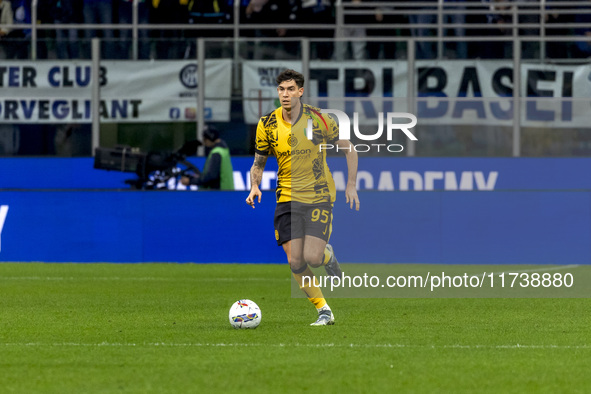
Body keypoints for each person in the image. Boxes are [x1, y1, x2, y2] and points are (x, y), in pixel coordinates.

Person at [246, 69, 360, 326]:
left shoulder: (319, 119)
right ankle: (324, 310)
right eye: (281, 90)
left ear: (300, 91)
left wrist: (351, 184)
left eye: (290, 89)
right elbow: (259, 162)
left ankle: (327, 256)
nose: (285, 94)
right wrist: (255, 186)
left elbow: (349, 149)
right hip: (286, 197)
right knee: (294, 260)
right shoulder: (267, 124)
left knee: (312, 258)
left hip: (318, 195)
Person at [181, 126, 234, 190]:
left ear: (210, 138)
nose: (204, 142)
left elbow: (211, 176)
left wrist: (191, 181)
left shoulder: (216, 153)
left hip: (218, 193)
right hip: (226, 191)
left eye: (205, 139)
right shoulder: (224, 150)